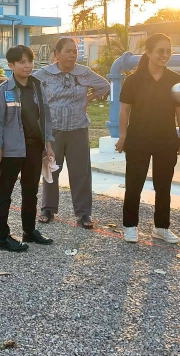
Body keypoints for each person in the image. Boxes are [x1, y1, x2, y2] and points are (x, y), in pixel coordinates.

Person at [115, 33, 180, 244]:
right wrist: (123, 136)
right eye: (160, 51)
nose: (164, 55)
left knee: (163, 186)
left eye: (168, 51)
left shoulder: (175, 79)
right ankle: (130, 226)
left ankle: (161, 227)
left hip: (166, 140)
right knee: (134, 184)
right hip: (138, 140)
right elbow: (124, 111)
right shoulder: (134, 80)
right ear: (148, 52)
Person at [33, 38, 110, 229]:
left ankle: (83, 213)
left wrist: (88, 99)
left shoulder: (84, 72)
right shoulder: (45, 73)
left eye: (74, 51)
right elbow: (29, 89)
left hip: (78, 128)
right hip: (53, 130)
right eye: (68, 51)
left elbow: (104, 85)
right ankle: (48, 209)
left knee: (81, 172)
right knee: (51, 168)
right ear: (57, 54)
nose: (72, 55)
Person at [0, 45, 55, 252]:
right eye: (22, 62)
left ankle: (29, 231)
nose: (27, 66)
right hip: (11, 149)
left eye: (30, 61)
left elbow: (46, 116)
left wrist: (48, 145)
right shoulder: (3, 90)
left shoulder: (38, 87)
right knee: (4, 192)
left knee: (31, 191)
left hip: (34, 147)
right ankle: (2, 238)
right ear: (11, 65)